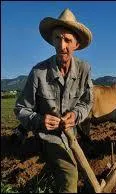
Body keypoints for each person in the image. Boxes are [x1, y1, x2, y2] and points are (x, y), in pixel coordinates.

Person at [14, 8, 94, 193]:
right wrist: (39, 120)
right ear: (52, 40)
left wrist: (76, 115)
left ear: (77, 44)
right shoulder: (38, 72)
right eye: (57, 38)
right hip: (47, 136)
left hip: (71, 135)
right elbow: (21, 108)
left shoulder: (84, 69)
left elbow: (86, 101)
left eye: (67, 40)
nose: (61, 45)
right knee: (71, 174)